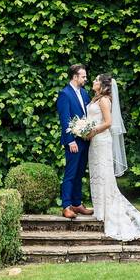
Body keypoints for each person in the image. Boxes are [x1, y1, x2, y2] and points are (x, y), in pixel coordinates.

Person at [85, 73, 140, 241]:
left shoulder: (104, 100)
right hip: (95, 142)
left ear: (103, 85)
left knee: (104, 175)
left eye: (96, 80)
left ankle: (107, 210)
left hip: (102, 140)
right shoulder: (96, 98)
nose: (93, 82)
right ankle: (99, 209)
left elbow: (108, 122)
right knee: (97, 174)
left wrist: (92, 131)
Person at [55, 64, 93, 219]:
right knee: (70, 174)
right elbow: (65, 119)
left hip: (85, 140)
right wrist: (70, 141)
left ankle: (77, 204)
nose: (85, 79)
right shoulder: (64, 94)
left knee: (79, 173)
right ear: (75, 76)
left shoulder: (84, 93)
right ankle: (66, 206)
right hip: (73, 142)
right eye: (83, 76)